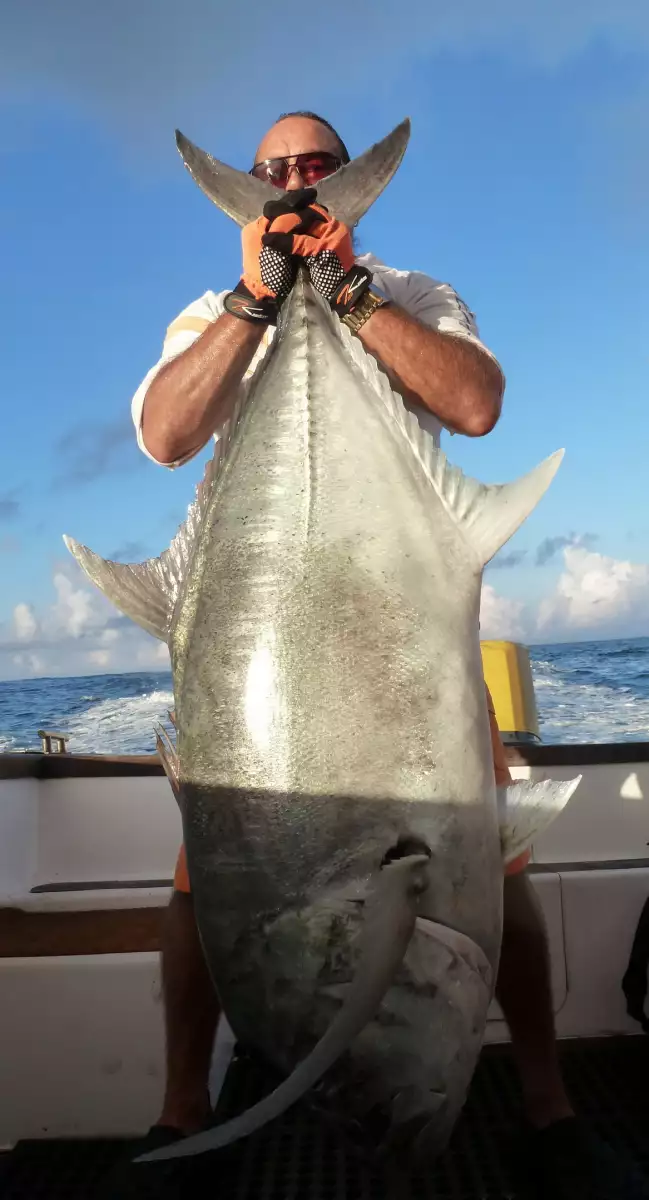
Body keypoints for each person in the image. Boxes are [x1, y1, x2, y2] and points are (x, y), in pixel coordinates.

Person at [124, 112, 645, 1198]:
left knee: (495, 866)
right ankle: (180, 1111)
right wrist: (256, 300)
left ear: (344, 182)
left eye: (317, 167)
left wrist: (351, 295)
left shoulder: (415, 292)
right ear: (255, 187)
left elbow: (476, 403)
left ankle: (547, 1111)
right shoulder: (207, 312)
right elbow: (168, 435)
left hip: (403, 636)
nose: (296, 184)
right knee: (202, 880)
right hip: (264, 647)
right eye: (275, 172)